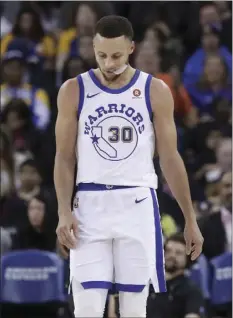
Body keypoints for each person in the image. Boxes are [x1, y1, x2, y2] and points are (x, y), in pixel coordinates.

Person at [54, 15, 204, 317]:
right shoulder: (73, 89)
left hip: (136, 203)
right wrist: (62, 210)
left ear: (132, 48)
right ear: (93, 49)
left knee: (135, 309)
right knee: (86, 309)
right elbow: (64, 157)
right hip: (89, 205)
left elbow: (170, 158)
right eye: (102, 55)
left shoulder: (155, 90)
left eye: (117, 55)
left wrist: (190, 218)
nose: (109, 63)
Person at [147, 233, 205, 318]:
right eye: (168, 251)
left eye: (178, 253)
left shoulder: (192, 291)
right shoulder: (148, 285)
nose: (171, 255)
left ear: (187, 258)